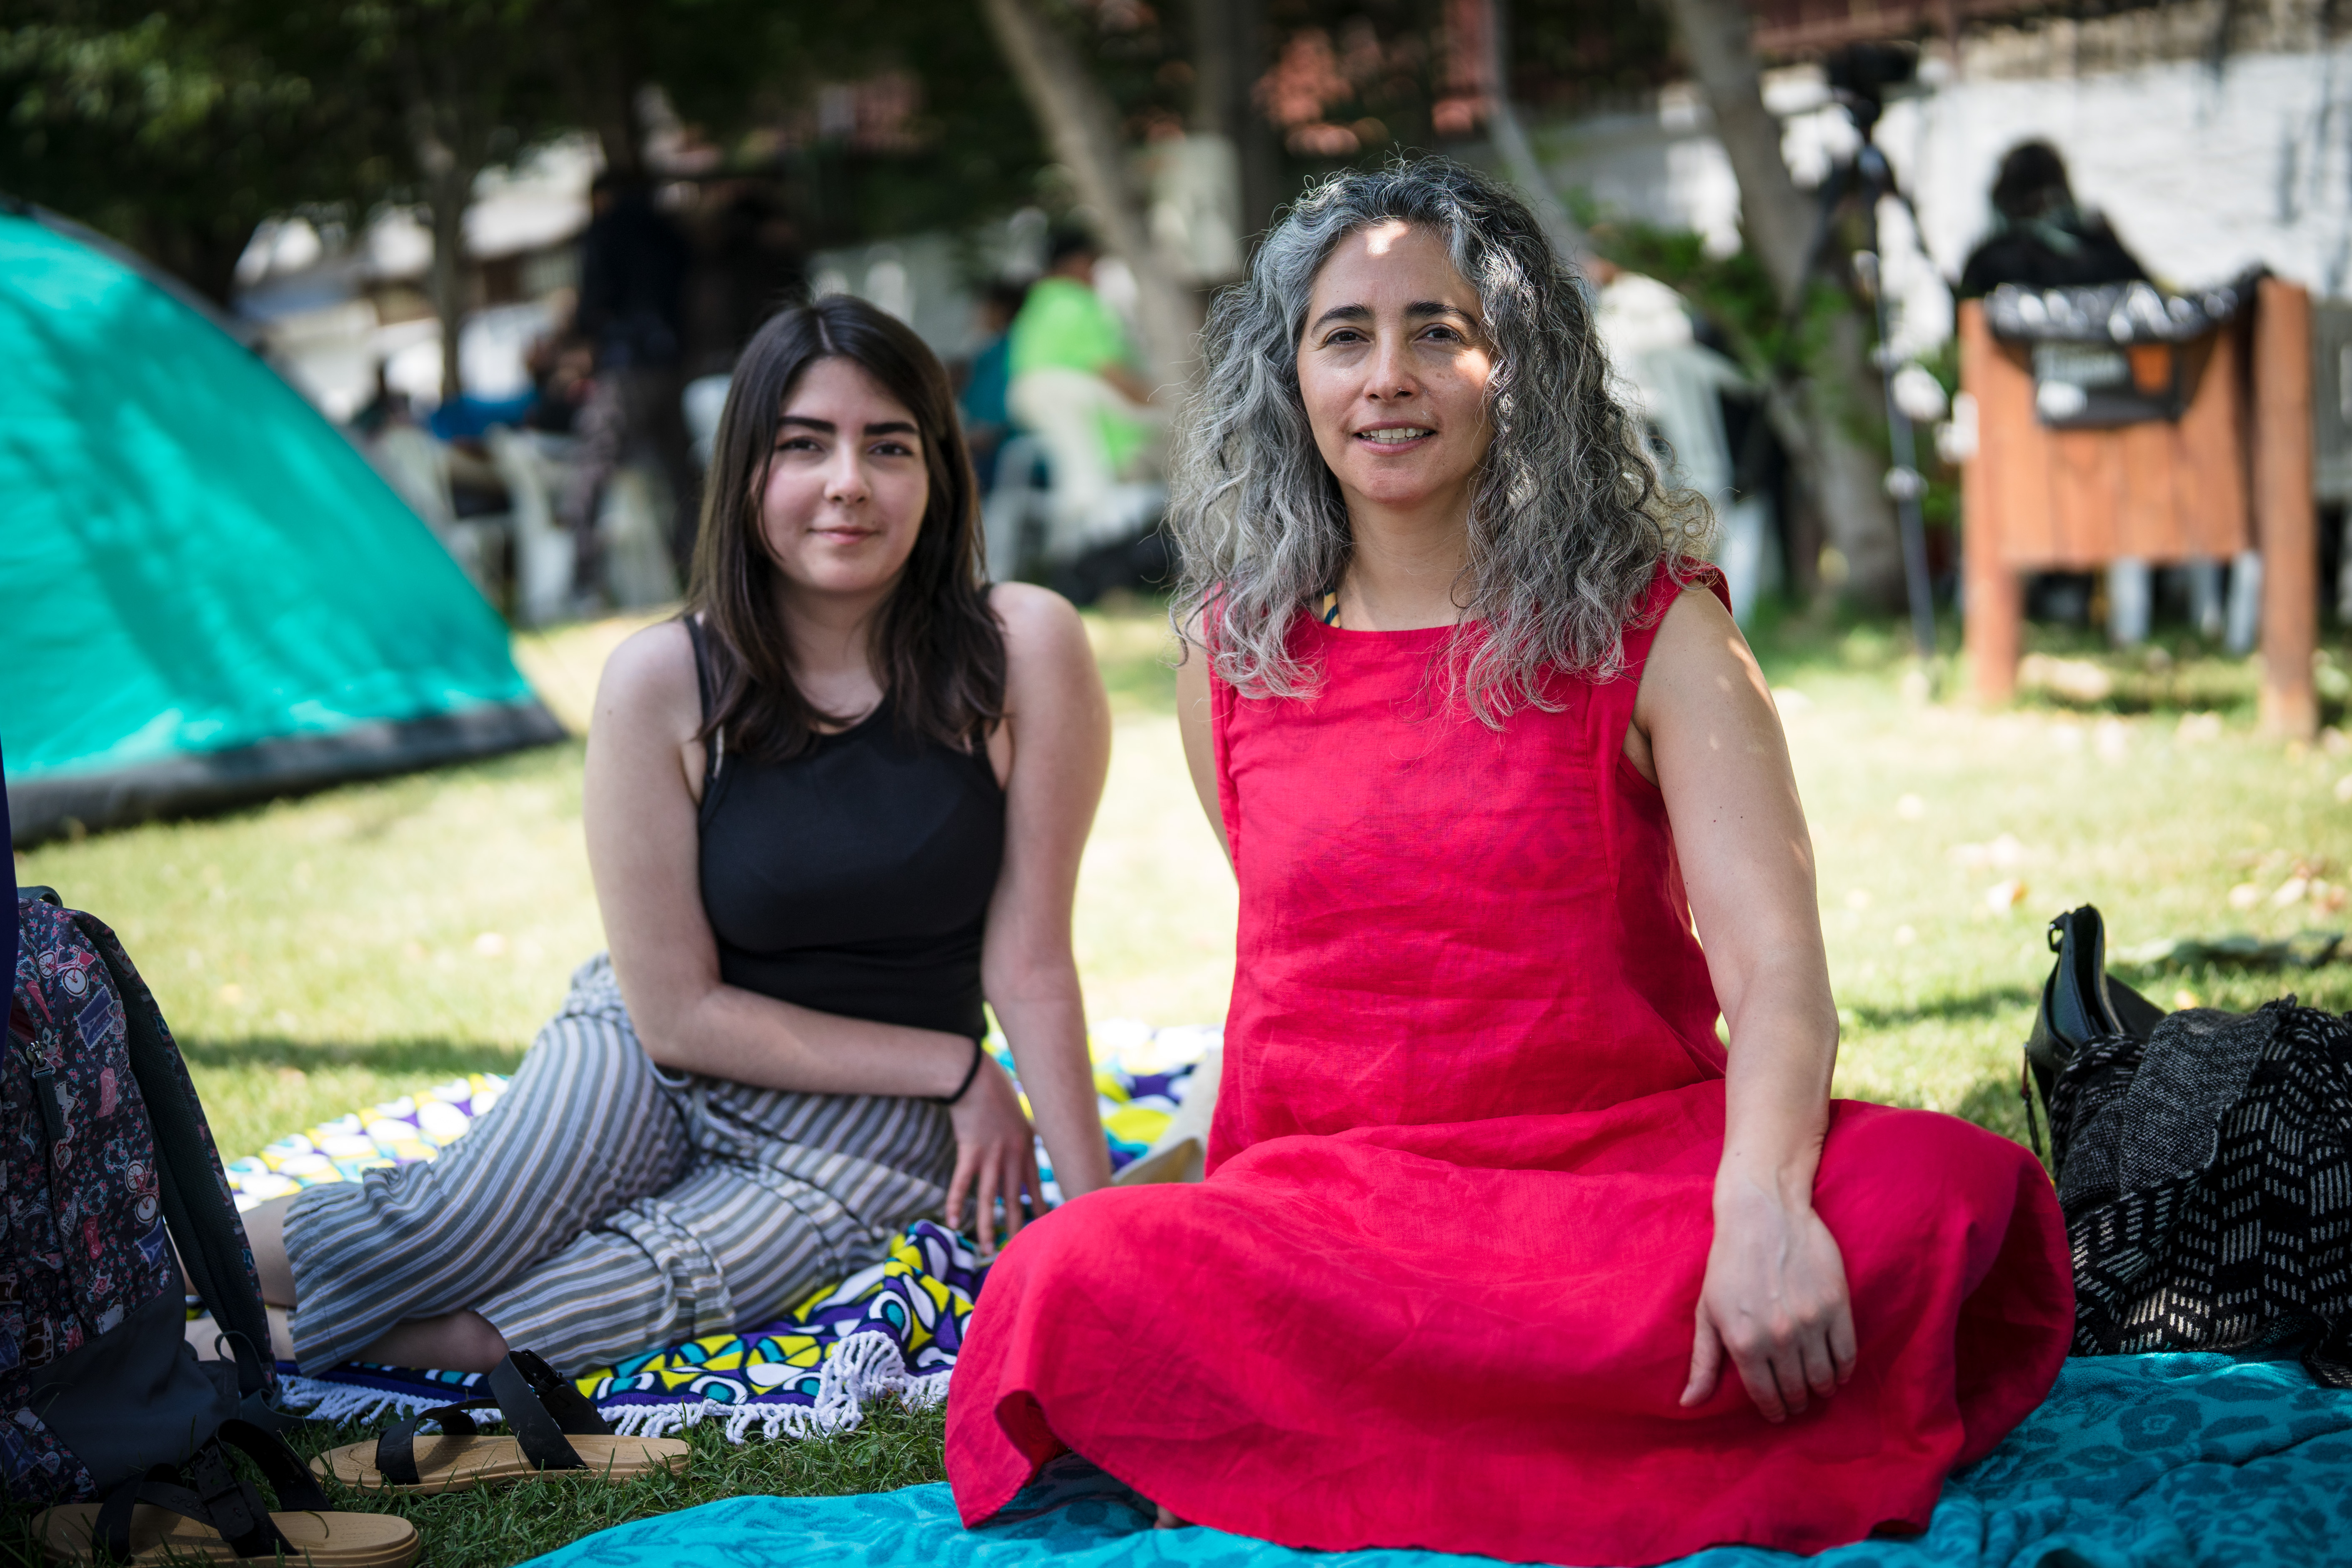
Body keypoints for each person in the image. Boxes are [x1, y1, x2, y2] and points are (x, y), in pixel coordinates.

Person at [945, 160, 2072, 1563]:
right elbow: (1305, 970)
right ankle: (1474, 1417)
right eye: (1344, 336)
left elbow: (1777, 973)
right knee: (1065, 1273)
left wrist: (1760, 1206)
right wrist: (1205, 1213)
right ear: (1289, 377)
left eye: (1439, 330)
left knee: (1938, 1190)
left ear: (1517, 364)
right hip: (1335, 1226)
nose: (1388, 377)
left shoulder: (1658, 630)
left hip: (1625, 1196)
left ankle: (1309, 1440)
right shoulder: (1231, 659)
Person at [240, 295, 1115, 1378]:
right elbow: (674, 1012)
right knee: (442, 1236)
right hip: (657, 1055)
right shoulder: (663, 679)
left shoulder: (1022, 646)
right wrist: (957, 1068)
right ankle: (128, 1269)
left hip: (866, 1129)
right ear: (744, 472)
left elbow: (1031, 962)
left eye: (888, 446)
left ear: (938, 472)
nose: (848, 481)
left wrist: (1098, 1225)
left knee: (517, 1335)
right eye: (804, 445)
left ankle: (225, 1345)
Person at [1006, 230, 1164, 564]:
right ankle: (1093, 560)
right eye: (1093, 264)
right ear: (1076, 263)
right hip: (1068, 397)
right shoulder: (1077, 302)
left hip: (1031, 398)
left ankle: (1071, 560)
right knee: (1089, 481)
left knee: (1077, 476)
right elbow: (1109, 370)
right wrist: (1160, 402)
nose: (1096, 273)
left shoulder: (1038, 303)